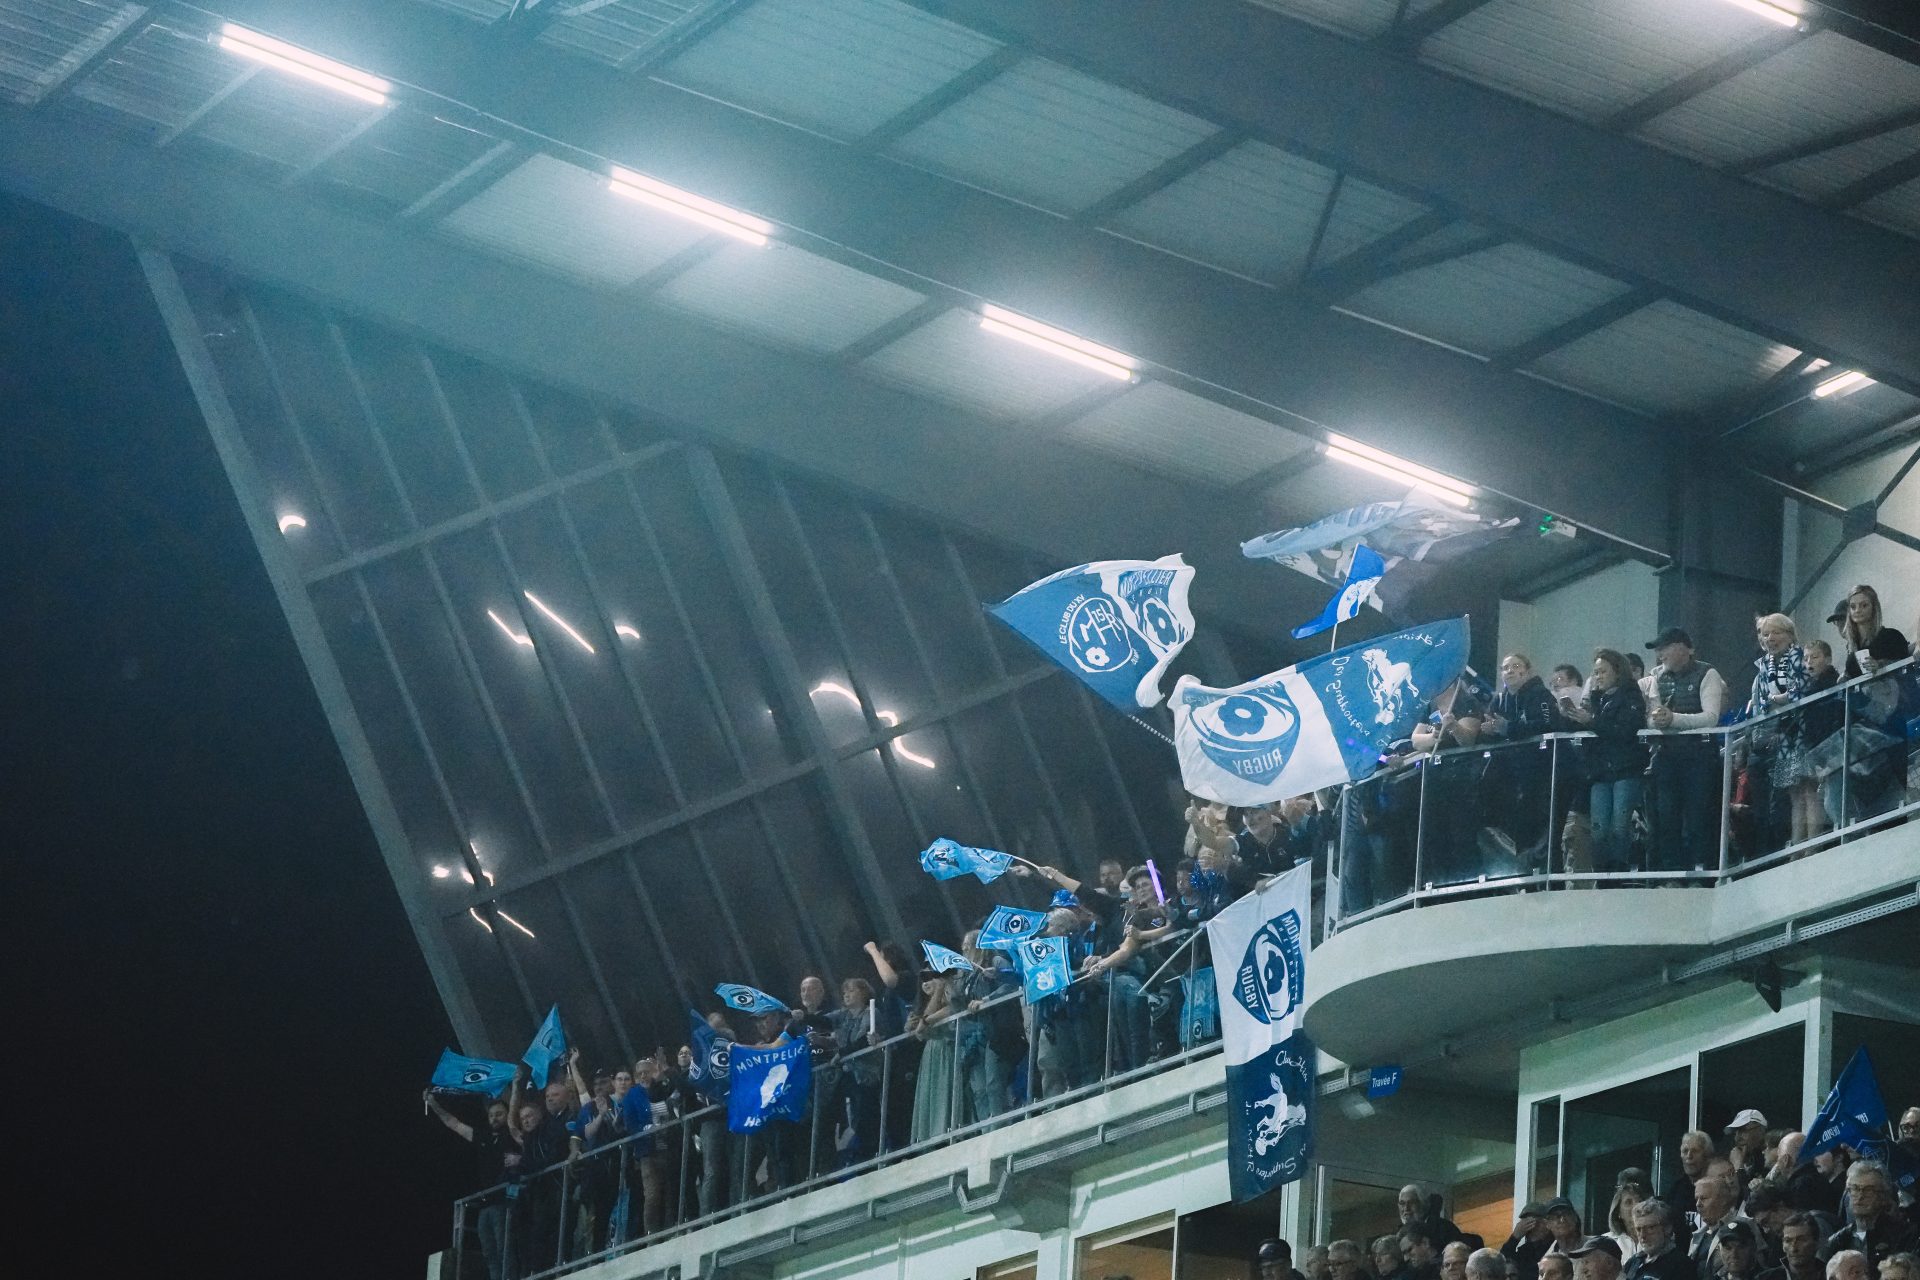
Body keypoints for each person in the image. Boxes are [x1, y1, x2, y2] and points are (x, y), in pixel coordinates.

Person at [1645, 628, 1729, 870]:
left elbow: (1711, 718)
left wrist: (1673, 720)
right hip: (1666, 756)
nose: (1660, 654)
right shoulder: (1657, 677)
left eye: (1665, 648)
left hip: (1699, 757)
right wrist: (1657, 720)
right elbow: (1652, 717)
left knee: (1698, 815)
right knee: (1666, 817)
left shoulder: (1707, 673)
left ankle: (1700, 868)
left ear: (1683, 648)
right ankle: (1670, 872)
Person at [1563, 648, 1648, 873]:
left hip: (1626, 769)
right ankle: (1601, 875)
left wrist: (1591, 721)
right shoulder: (1596, 699)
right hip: (1600, 773)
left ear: (1617, 672)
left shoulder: (1631, 695)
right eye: (1595, 672)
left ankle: (1618, 875)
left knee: (1619, 827)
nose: (1598, 676)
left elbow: (1625, 730)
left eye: (1602, 671)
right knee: (1598, 828)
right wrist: (1572, 717)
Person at [1481, 654, 1562, 867]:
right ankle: (1523, 874)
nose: (1509, 671)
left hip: (1543, 774)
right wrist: (1489, 731)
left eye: (1515, 666)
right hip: (1512, 780)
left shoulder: (1540, 694)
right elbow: (1489, 730)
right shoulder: (1498, 700)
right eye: (1505, 667)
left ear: (1527, 671)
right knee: (1518, 832)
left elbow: (1548, 724)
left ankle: (1546, 875)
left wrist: (1508, 727)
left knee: (1543, 829)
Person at [426, 1089, 515, 1280]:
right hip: (485, 1203)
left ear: (508, 1115)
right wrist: (434, 1104)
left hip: (504, 1201)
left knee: (504, 1247)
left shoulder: (514, 1135)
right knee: (489, 1252)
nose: (494, 1118)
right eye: (491, 1115)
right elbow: (454, 1123)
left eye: (499, 1114)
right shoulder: (483, 1136)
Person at [1825, 1162, 1919, 1272]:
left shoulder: (1905, 1235)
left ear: (1884, 1196)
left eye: (1868, 1190)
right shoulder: (1837, 1241)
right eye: (1855, 1188)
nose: (1860, 1196)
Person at [1839, 586, 1909, 679]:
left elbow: (1906, 668)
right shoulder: (1852, 648)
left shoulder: (1892, 636)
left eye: (1864, 605)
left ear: (1874, 607)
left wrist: (1881, 665)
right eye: (1853, 607)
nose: (1857, 610)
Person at [1628, 1199, 1698, 1280]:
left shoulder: (1682, 1266)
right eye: (1638, 1229)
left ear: (1667, 1228)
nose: (1643, 1235)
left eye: (1650, 1228)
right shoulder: (1633, 1262)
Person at [1762, 1214, 1827, 1280]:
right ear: (1783, 1245)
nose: (1793, 1248)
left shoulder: (1832, 1275)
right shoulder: (1764, 1278)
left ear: (1817, 1243)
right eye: (1788, 1241)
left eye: (1801, 1240)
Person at [1506, 1201, 1557, 1280]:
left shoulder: (1556, 1246)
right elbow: (1501, 1264)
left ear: (1547, 1224)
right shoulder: (1524, 1252)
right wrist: (1515, 1237)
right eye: (1527, 1223)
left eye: (1536, 1222)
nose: (1532, 1228)